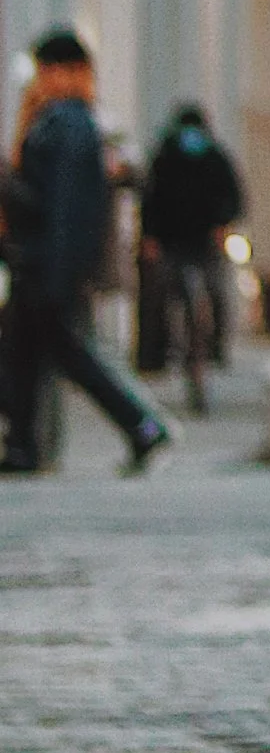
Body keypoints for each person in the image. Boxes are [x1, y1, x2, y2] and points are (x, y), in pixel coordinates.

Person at [1, 31, 172, 476]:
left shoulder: (69, 124)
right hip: (41, 260)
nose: (38, 81)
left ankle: (140, 425)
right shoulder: (62, 121)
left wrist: (56, 271)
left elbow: (65, 208)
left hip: (46, 262)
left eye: (44, 70)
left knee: (68, 355)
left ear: (64, 71)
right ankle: (24, 445)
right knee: (24, 354)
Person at [140, 103, 245, 408]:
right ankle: (159, 353)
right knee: (163, 297)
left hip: (205, 241)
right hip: (174, 243)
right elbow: (151, 199)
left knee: (215, 293)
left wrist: (222, 224)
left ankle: (215, 347)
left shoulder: (214, 158)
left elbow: (233, 197)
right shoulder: (165, 158)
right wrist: (151, 237)